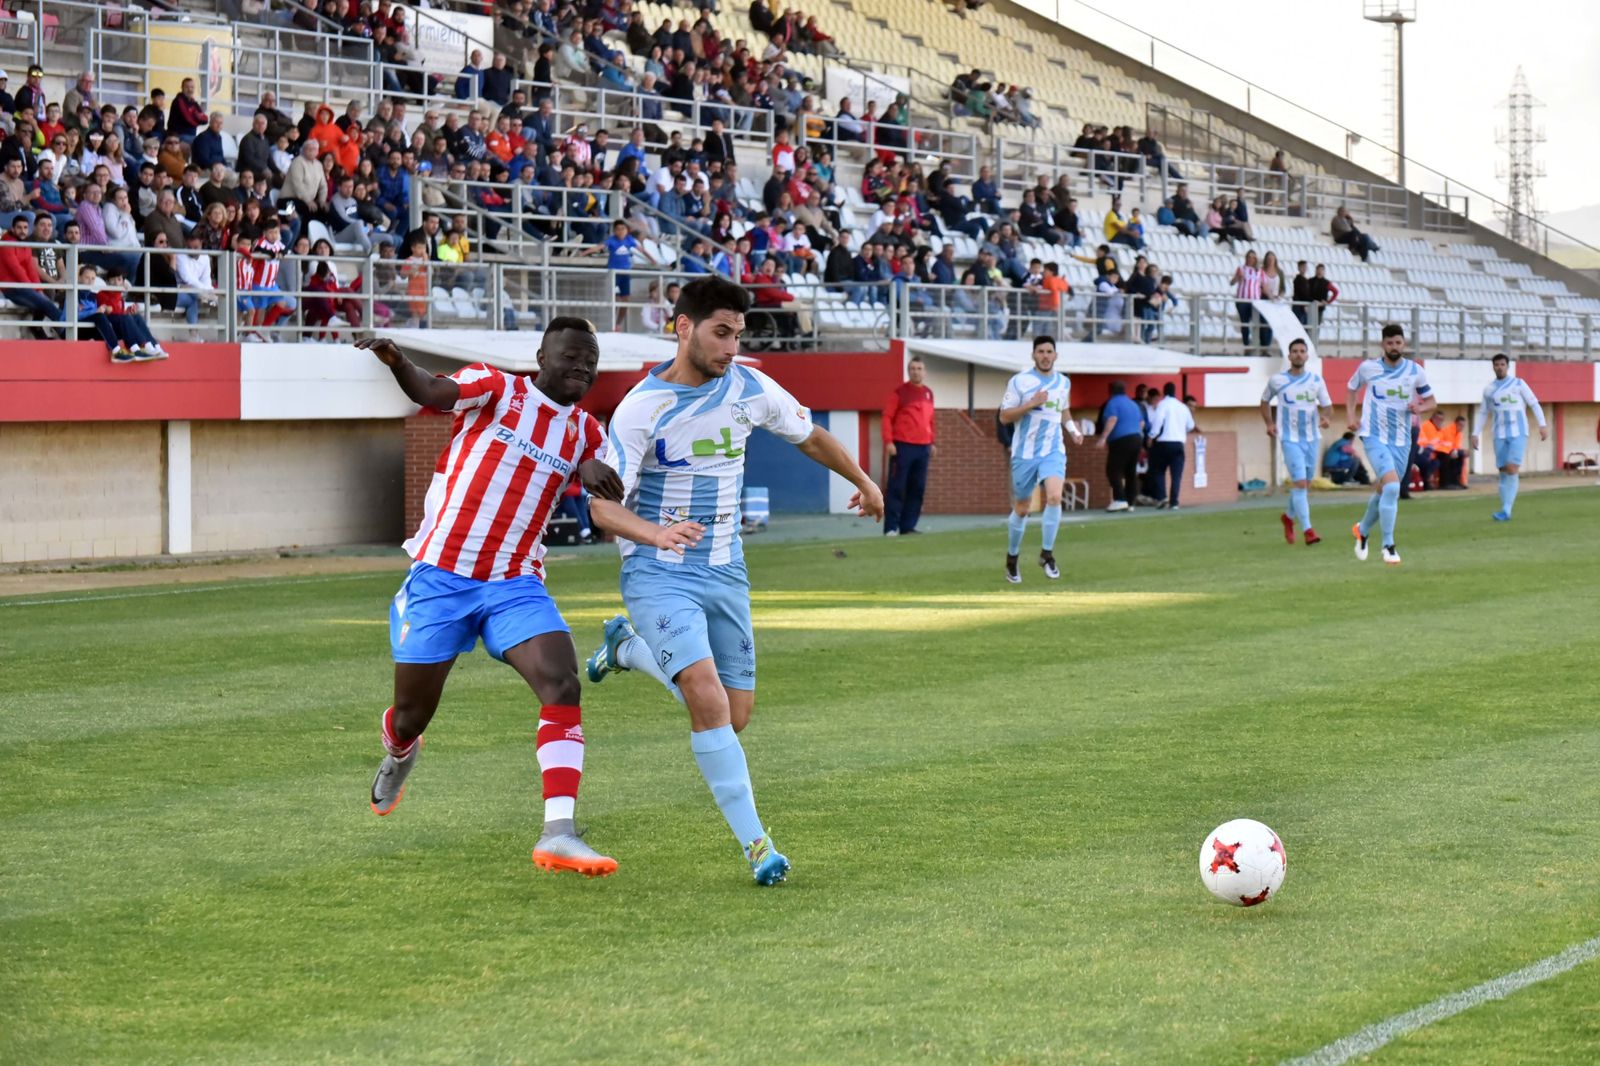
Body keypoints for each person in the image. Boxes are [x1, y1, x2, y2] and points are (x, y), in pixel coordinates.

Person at [581, 275, 883, 885]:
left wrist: (865, 480)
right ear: (683, 327)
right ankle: (758, 847)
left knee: (734, 715)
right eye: (721, 333)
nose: (731, 347)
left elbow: (812, 435)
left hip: (726, 568)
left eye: (738, 335)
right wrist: (654, 534)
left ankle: (628, 649)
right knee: (707, 698)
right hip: (659, 572)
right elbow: (601, 506)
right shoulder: (641, 409)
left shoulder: (749, 385)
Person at [354, 326, 623, 878]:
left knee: (561, 681)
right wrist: (395, 360)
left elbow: (596, 474)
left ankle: (560, 832)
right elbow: (431, 392)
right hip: (441, 578)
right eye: (571, 357)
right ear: (542, 356)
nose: (581, 368)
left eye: (590, 362)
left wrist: (595, 474)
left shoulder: (587, 434)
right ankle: (401, 748)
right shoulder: (497, 388)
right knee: (410, 714)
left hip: (514, 583)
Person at [1347, 323, 1435, 566]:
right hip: (1373, 435)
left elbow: (1431, 401)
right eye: (1389, 343)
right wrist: (1351, 417)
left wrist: (1420, 407)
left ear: (1403, 344)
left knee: (1385, 488)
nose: (1394, 347)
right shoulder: (1368, 368)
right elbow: (1351, 389)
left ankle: (1362, 530)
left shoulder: (1415, 371)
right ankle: (1388, 545)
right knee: (1394, 488)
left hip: (1401, 440)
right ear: (1383, 344)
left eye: (1398, 343)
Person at [999, 335, 1081, 583]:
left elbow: (1063, 409)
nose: (1045, 356)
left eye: (1049, 351)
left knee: (1055, 496)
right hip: (1024, 453)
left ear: (1055, 355)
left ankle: (1046, 554)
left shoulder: (1063, 382)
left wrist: (1073, 431)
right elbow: (1004, 416)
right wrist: (1031, 404)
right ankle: (1012, 559)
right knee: (1022, 509)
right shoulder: (1020, 382)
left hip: (1053, 449)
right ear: (1033, 355)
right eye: (1041, 352)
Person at [1259, 339, 1332, 545]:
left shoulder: (1316, 381)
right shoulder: (1277, 380)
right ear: (1289, 356)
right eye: (1295, 351)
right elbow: (1264, 401)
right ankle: (1309, 530)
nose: (1299, 354)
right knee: (1300, 483)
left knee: (1305, 484)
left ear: (1307, 356)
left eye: (1302, 351)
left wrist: (1326, 418)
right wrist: (1269, 423)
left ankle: (1288, 518)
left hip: (1312, 438)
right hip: (1289, 438)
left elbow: (1327, 406)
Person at [1471, 352, 1547, 521]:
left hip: (1518, 432)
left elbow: (1534, 403)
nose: (1499, 367)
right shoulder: (1489, 389)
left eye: (1502, 364)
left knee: (1512, 468)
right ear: (1493, 367)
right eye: (1496, 364)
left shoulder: (1519, 384)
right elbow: (1484, 412)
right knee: (1503, 470)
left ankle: (1506, 509)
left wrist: (1542, 424)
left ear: (1507, 366)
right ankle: (1505, 509)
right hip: (1499, 433)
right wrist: (1475, 433)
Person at [881, 355, 935, 536]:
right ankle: (891, 528)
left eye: (919, 368)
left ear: (925, 372)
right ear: (908, 371)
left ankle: (908, 527)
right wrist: (888, 441)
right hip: (902, 447)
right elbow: (887, 417)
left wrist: (932, 441)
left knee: (917, 488)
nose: (916, 371)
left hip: (923, 448)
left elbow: (930, 420)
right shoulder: (900, 393)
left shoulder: (929, 393)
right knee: (897, 487)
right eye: (913, 368)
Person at [1095, 380, 1144, 512]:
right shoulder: (1133, 404)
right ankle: (1130, 502)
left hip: (1121, 440)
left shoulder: (1113, 403)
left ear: (1111, 391)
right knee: (1131, 471)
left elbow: (1112, 419)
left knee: (1113, 470)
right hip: (1137, 438)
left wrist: (1103, 438)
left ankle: (1119, 499)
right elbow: (1142, 423)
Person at [1147, 382, 1197, 510]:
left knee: (1158, 471)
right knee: (1176, 475)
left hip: (1163, 442)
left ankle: (1162, 497)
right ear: (1175, 392)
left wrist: (1151, 436)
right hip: (1179, 444)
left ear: (1164, 392)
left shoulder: (1162, 405)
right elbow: (1191, 425)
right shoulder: (1182, 407)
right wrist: (1181, 431)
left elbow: (1158, 421)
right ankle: (1174, 502)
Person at [1417, 410, 1467, 491]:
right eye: (1438, 419)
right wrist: (1450, 450)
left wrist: (1453, 450)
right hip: (1425, 453)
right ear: (1433, 418)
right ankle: (1445, 483)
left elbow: (1442, 443)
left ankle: (1455, 482)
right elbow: (1432, 443)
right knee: (1446, 458)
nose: (1440, 421)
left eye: (1441, 420)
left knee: (1457, 456)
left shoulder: (1438, 429)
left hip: (1435, 452)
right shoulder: (1428, 426)